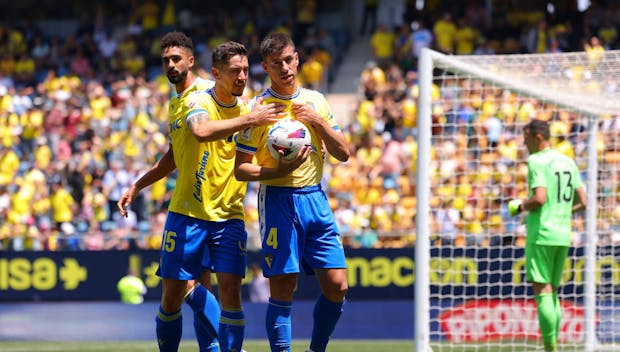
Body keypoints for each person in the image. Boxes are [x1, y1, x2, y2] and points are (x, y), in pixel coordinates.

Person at [117, 32, 284, 352]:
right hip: (188, 211)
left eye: (175, 58)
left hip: (227, 213)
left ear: (192, 61)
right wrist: (138, 185)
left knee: (228, 290)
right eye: (165, 60)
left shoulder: (206, 96)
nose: (170, 65)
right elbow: (176, 153)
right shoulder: (183, 102)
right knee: (175, 293)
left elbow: (208, 130)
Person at [235, 32, 350, 352]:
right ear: (266, 68)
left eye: (289, 60)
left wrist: (317, 122)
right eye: (276, 63)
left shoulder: (316, 101)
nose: (285, 68)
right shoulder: (258, 109)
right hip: (278, 199)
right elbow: (240, 168)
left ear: (297, 59)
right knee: (283, 287)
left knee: (338, 286)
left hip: (315, 198)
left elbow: (344, 153)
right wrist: (278, 171)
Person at [508, 118, 586, 352]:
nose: (524, 143)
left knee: (542, 291)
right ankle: (552, 345)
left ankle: (550, 347)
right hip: (563, 234)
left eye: (526, 137)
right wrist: (562, 211)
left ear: (538, 137)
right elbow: (583, 202)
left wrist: (519, 207)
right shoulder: (568, 161)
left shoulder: (536, 160)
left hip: (542, 233)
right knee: (552, 292)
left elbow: (539, 198)